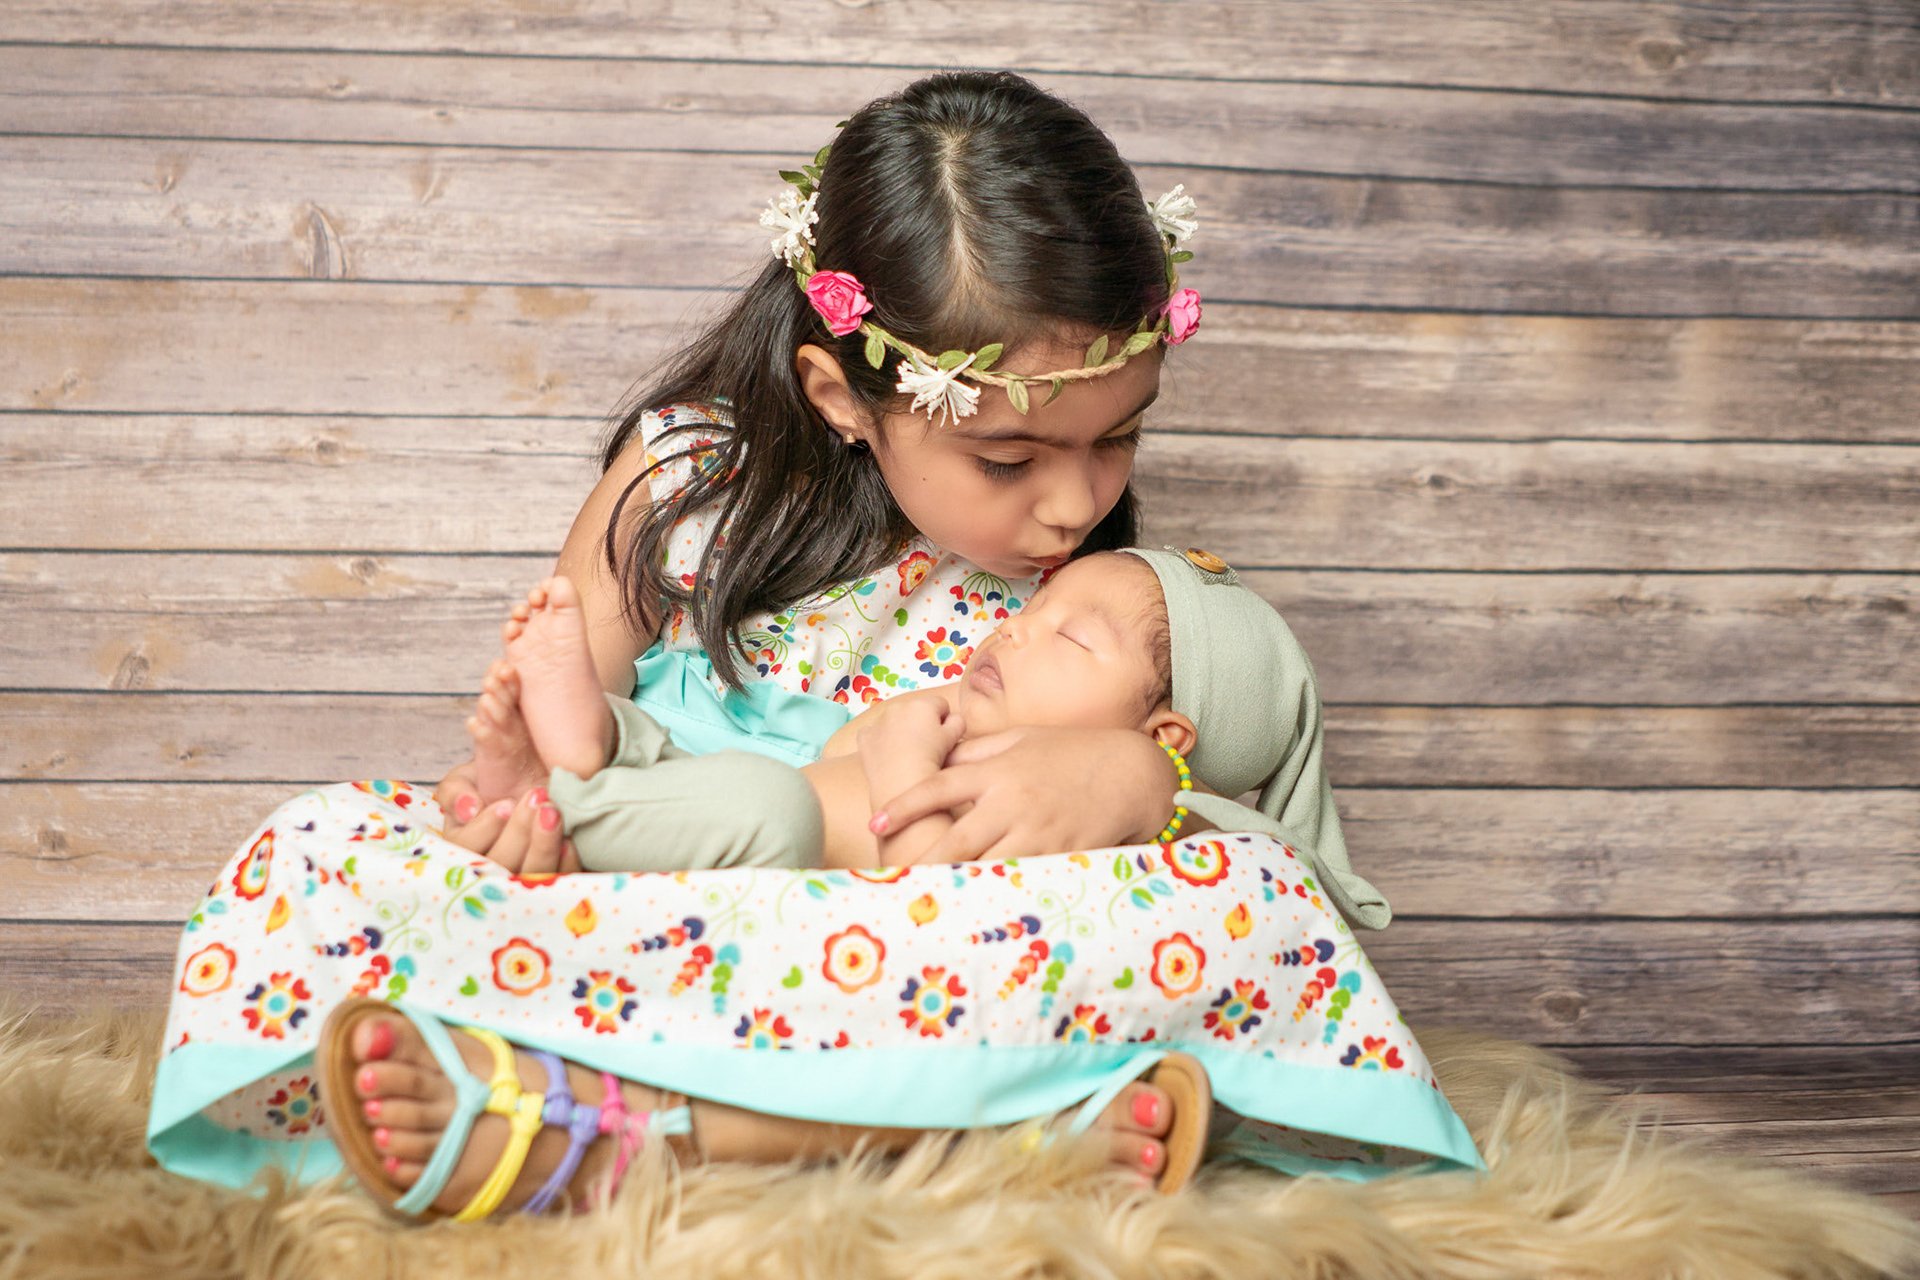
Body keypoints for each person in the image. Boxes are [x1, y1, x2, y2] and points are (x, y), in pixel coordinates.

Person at [152, 71, 1470, 1224]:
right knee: (317, 856)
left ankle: (611, 1131)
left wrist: (1142, 788)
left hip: (932, 940)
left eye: (1116, 439)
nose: (1074, 503)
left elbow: (1236, 780)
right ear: (842, 394)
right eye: (1010, 455)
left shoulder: (1095, 583)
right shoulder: (687, 483)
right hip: (694, 899)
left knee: (1245, 906)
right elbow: (577, 752)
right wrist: (523, 818)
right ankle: (993, 1136)